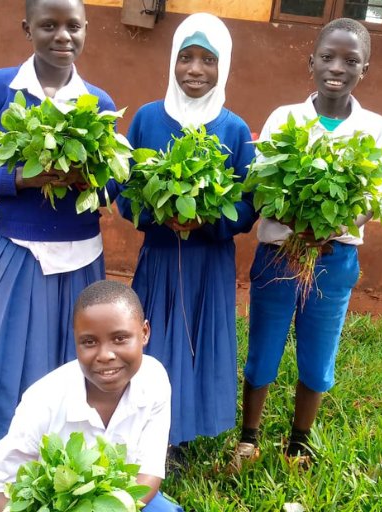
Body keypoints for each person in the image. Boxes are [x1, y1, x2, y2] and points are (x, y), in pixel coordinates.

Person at [0, 0, 116, 501]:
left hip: (81, 255)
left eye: (73, 26)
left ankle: (62, 470)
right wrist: (23, 177)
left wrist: (92, 179)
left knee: (71, 365)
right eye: (49, 25)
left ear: (86, 31)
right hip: (17, 250)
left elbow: (112, 188)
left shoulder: (97, 102)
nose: (63, 36)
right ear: (27, 29)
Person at [235, 17, 382, 466]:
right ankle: (249, 438)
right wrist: (293, 221)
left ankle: (299, 443)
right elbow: (261, 183)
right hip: (278, 255)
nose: (337, 67)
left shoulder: (374, 128)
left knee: (318, 354)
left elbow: (375, 196)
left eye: (351, 60)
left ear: (366, 68)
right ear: (311, 62)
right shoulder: (285, 118)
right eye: (327, 57)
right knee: (263, 347)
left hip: (334, 257)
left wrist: (331, 226)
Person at [114, 12, 256, 467]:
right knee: (154, 339)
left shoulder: (233, 129)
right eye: (186, 58)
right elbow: (126, 191)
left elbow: (247, 206)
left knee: (196, 339)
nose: (195, 70)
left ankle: (185, 430)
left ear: (225, 65)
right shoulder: (147, 119)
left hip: (208, 259)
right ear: (172, 61)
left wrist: (207, 222)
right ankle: (152, 432)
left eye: (208, 60)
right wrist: (158, 214)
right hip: (158, 254)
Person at [0, 280, 181, 512]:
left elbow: (149, 474)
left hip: (104, 494)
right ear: (76, 342)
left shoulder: (154, 379)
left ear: (144, 333)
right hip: (12, 497)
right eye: (89, 342)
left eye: (120, 338)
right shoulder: (45, 399)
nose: (105, 355)